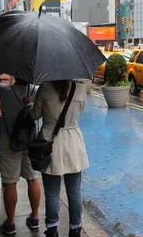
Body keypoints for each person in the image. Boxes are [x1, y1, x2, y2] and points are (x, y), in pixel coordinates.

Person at [27, 80, 88, 237]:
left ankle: (52, 229)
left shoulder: (45, 87)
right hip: (73, 140)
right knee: (74, 191)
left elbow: (35, 114)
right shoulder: (80, 86)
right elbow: (80, 110)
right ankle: (75, 228)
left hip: (50, 141)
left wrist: (29, 105)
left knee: (52, 192)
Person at [0, 77, 41, 235]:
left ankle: (11, 222)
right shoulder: (36, 90)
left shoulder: (4, 90)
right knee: (32, 178)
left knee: (10, 181)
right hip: (30, 140)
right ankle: (35, 217)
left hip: (10, 141)